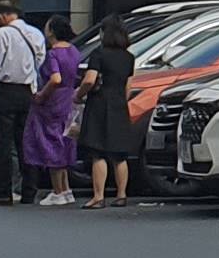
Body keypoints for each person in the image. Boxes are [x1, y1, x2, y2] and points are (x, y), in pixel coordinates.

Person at [0, 1, 43, 205]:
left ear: (2, 16)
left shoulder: (2, 34)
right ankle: (29, 191)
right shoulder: (35, 33)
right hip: (27, 91)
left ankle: (4, 192)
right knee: (25, 142)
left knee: (4, 144)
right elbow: (40, 60)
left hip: (6, 90)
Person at [79, 14, 140, 207]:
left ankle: (98, 196)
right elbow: (128, 87)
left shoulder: (99, 54)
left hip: (99, 103)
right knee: (119, 155)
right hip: (119, 105)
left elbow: (89, 80)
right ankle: (121, 194)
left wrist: (78, 95)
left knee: (98, 152)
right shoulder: (128, 57)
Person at [23, 14, 84, 206]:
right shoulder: (74, 50)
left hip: (52, 102)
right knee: (64, 141)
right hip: (68, 99)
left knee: (50, 142)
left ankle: (57, 191)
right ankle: (66, 189)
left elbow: (55, 78)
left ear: (52, 31)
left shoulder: (53, 54)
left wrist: (42, 95)